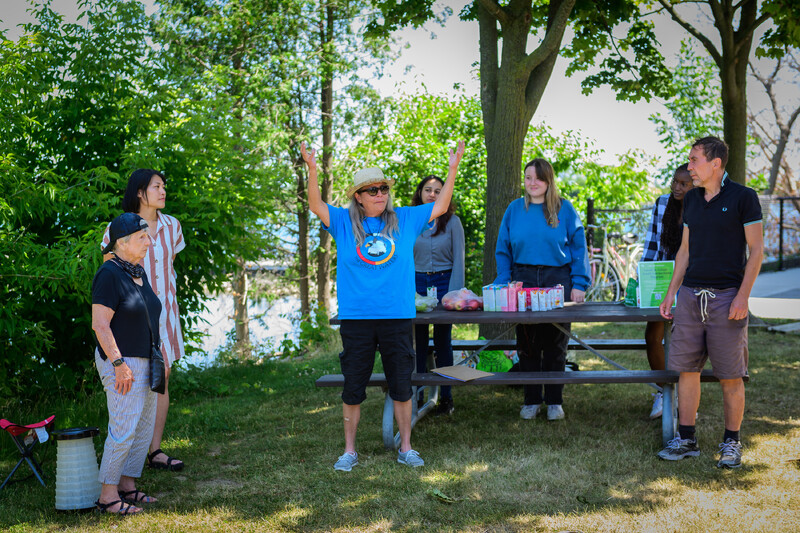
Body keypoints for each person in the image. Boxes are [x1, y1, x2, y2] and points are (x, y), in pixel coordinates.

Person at [301, 140, 465, 471]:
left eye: (384, 188)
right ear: (358, 197)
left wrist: (452, 169)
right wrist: (313, 169)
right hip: (357, 318)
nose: (380, 194)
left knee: (402, 384)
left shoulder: (405, 218)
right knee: (353, 387)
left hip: (396, 316)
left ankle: (406, 448)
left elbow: (441, 205)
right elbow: (315, 204)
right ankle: (349, 451)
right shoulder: (343, 221)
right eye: (372, 190)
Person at [658, 136, 763, 468]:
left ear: (715, 163)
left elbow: (757, 251)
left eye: (694, 160)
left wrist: (743, 296)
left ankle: (731, 442)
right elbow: (685, 250)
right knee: (687, 371)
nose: (689, 166)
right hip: (690, 297)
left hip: (727, 298)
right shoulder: (691, 199)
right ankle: (686, 439)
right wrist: (672, 292)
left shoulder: (744, 197)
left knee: (731, 375)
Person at [102, 169, 186, 472]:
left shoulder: (173, 226)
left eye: (164, 186)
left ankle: (155, 451)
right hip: (132, 318)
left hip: (165, 314)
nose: (163, 191)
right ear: (140, 192)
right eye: (156, 186)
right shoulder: (119, 227)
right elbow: (109, 273)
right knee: (135, 382)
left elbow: (167, 269)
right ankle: (126, 458)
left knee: (161, 379)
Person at [494, 158, 590, 421]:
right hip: (523, 277)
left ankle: (554, 401)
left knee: (555, 342)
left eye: (538, 178)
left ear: (548, 181)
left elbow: (579, 248)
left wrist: (579, 283)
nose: (532, 183)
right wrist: (503, 280)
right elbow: (503, 248)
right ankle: (532, 400)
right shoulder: (514, 209)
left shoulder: (564, 209)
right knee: (527, 342)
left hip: (557, 278)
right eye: (528, 178)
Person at [92, 213, 161, 515]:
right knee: (123, 429)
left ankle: (127, 485)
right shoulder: (109, 274)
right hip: (122, 362)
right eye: (142, 237)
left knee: (142, 428)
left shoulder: (138, 271)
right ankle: (108, 495)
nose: (149, 242)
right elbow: (100, 324)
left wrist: (159, 354)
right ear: (122, 242)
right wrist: (119, 363)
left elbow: (147, 314)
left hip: (147, 360)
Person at [641, 164, 694, 419]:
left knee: (686, 342)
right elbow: (652, 243)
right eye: (675, 181)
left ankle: (685, 397)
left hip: (691, 282)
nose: (676, 187)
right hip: (662, 279)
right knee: (653, 336)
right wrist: (643, 276)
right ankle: (664, 392)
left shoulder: (702, 206)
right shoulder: (662, 203)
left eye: (684, 184)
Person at [411, 175, 466, 416]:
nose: (432, 194)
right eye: (428, 190)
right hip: (417, 284)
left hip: (445, 283)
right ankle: (417, 395)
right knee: (418, 342)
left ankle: (446, 397)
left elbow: (459, 260)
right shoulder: (410, 220)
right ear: (420, 193)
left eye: (437, 191)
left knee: (443, 341)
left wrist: (454, 294)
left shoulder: (453, 222)